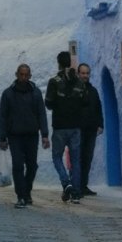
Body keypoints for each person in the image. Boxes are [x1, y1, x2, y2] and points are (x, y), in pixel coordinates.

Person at [0, 63, 49, 209]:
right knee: (18, 165)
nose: (24, 77)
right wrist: (3, 138)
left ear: (30, 76)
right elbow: (3, 117)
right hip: (14, 136)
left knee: (32, 166)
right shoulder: (8, 94)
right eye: (21, 74)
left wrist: (45, 135)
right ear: (16, 75)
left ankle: (27, 191)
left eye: (26, 75)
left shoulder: (36, 93)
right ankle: (21, 196)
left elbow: (42, 114)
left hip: (32, 136)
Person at [45, 50, 87, 203]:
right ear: (70, 62)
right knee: (75, 160)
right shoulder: (79, 82)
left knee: (57, 157)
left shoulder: (54, 81)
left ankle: (66, 182)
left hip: (60, 126)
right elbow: (85, 102)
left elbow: (48, 103)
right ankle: (76, 193)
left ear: (59, 63)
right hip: (75, 126)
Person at [76, 62, 105, 196]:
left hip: (91, 131)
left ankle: (83, 186)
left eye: (87, 73)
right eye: (83, 73)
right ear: (78, 74)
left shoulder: (93, 91)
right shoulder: (74, 91)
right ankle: (76, 186)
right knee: (78, 158)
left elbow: (98, 108)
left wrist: (100, 124)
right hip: (78, 130)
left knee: (87, 158)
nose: (85, 76)